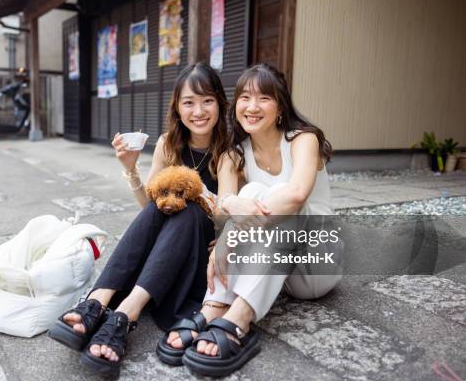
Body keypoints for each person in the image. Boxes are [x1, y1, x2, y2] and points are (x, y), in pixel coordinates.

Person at [48, 63, 235, 376]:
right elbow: (151, 201)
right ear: (177, 107)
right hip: (166, 247)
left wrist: (202, 196)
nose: (198, 111)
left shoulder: (228, 152)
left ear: (219, 103)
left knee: (188, 210)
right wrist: (131, 168)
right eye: (189, 102)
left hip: (197, 256)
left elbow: (226, 214)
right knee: (156, 207)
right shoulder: (168, 143)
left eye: (207, 101)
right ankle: (97, 303)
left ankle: (125, 314)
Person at [179, 64, 342, 377]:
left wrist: (228, 239)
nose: (252, 107)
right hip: (277, 272)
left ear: (280, 105)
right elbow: (222, 211)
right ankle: (214, 307)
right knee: (249, 193)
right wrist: (230, 201)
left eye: (263, 98)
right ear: (236, 103)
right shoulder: (234, 154)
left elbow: (295, 196)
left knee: (272, 193)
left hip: (316, 266)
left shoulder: (302, 139)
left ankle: (239, 317)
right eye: (245, 97)